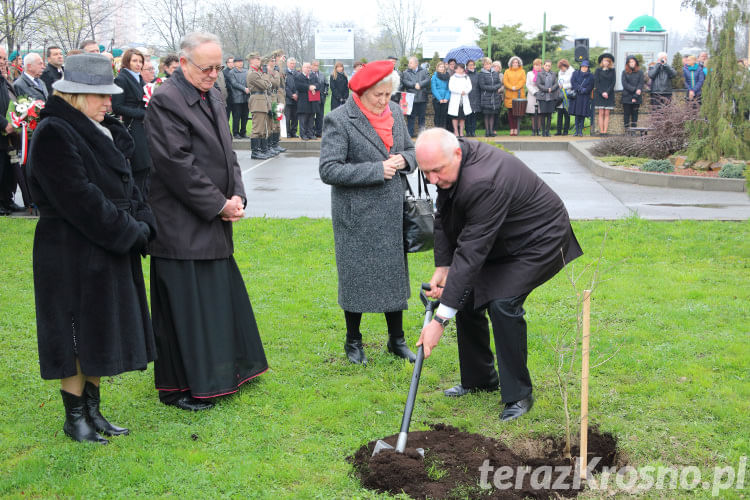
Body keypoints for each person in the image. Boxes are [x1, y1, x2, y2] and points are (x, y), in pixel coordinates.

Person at [27, 53, 156, 443]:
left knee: (99, 327)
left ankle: (94, 411)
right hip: (69, 249)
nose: (109, 103)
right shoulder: (53, 132)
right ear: (77, 96)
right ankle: (75, 416)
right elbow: (80, 199)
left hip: (103, 247)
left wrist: (142, 219)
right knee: (74, 331)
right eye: (101, 97)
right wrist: (130, 231)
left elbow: (127, 183)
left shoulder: (103, 129)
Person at [414, 127, 582, 421]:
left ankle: (519, 395)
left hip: (539, 238)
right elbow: (444, 215)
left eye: (437, 171)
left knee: (503, 302)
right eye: (426, 173)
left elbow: (471, 252)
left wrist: (440, 320)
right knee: (465, 294)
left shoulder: (483, 181)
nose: (432, 180)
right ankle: (480, 379)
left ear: (456, 153)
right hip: (503, 236)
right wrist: (443, 267)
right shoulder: (451, 164)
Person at [144, 31, 268, 411]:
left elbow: (228, 151)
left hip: (213, 216)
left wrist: (237, 194)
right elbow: (176, 165)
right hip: (180, 223)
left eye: (218, 66)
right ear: (183, 63)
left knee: (215, 300)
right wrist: (218, 205)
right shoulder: (166, 100)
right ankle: (184, 385)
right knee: (187, 308)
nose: (215, 74)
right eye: (206, 67)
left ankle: (225, 371)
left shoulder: (211, 93)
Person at [318, 60, 417, 365]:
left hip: (391, 213)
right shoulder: (339, 119)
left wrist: (403, 160)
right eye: (379, 95)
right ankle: (353, 341)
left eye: (388, 94)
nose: (384, 101)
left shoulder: (396, 114)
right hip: (356, 216)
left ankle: (396, 340)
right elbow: (329, 169)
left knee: (393, 279)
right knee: (356, 279)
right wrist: (377, 170)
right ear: (361, 92)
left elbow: (411, 151)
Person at [112, 49, 152, 196]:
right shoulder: (122, 79)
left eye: (140, 61)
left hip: (143, 126)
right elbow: (117, 106)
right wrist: (142, 113)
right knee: (140, 166)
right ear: (127, 61)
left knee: (147, 167)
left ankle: (143, 199)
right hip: (133, 127)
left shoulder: (139, 78)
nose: (138, 64)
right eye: (134, 61)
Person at [0, 47, 22, 216]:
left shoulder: (4, 80)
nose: (3, 61)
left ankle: (7, 200)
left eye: (4, 58)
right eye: (0, 58)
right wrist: (4, 124)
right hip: (2, 130)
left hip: (9, 133)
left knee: (9, 170)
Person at [247, 53, 273, 159]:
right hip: (257, 102)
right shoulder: (253, 74)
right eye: (257, 59)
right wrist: (266, 78)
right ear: (251, 61)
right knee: (257, 129)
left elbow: (267, 85)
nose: (259, 61)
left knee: (262, 129)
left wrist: (266, 81)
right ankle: (255, 152)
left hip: (262, 101)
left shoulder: (258, 73)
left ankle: (262, 150)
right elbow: (266, 85)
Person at [401, 56, 430, 138]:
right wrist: (414, 85)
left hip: (422, 98)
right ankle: (409, 136)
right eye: (409, 62)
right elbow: (405, 81)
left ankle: (422, 135)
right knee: (410, 118)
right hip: (411, 98)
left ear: (416, 63)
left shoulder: (424, 71)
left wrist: (420, 84)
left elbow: (428, 79)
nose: (409, 64)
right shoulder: (406, 72)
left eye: (411, 62)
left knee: (422, 118)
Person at [478, 58, 503, 137]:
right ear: (483, 65)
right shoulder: (481, 74)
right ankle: (487, 131)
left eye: (489, 64)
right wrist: (492, 88)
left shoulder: (495, 73)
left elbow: (499, 83)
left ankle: (491, 131)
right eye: (486, 64)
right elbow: (482, 86)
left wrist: (495, 87)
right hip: (486, 97)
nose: (487, 66)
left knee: (492, 114)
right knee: (487, 115)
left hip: (494, 97)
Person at [569, 60, 594, 136]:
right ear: (580, 67)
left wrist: (585, 90)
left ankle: (580, 130)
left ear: (588, 68)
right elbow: (573, 82)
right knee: (577, 114)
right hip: (577, 96)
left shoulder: (591, 76)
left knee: (583, 114)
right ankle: (576, 130)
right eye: (583, 66)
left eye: (586, 67)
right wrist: (579, 89)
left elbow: (591, 85)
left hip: (585, 96)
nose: (584, 68)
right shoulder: (575, 73)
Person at [295, 62, 318, 140]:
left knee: (311, 119)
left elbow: (318, 84)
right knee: (303, 119)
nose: (308, 69)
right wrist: (309, 87)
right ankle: (303, 134)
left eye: (309, 67)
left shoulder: (313, 76)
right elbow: (298, 86)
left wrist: (314, 87)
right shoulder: (299, 76)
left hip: (312, 101)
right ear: (302, 68)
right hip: (303, 101)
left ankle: (310, 133)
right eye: (306, 67)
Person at [535, 60, 559, 137]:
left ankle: (548, 131)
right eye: (546, 65)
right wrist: (546, 89)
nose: (548, 67)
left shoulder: (553, 74)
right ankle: (543, 132)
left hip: (551, 96)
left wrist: (551, 89)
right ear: (543, 66)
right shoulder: (539, 74)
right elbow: (538, 84)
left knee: (549, 114)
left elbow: (556, 83)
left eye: (549, 66)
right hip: (542, 96)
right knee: (543, 114)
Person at [593, 53, 615, 135]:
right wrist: (602, 92)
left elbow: (613, 82)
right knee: (601, 113)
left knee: (607, 113)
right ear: (602, 61)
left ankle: (605, 131)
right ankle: (601, 131)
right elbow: (597, 83)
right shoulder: (598, 70)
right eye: (604, 60)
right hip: (599, 94)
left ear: (609, 62)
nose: (606, 62)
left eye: (607, 61)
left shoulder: (612, 71)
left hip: (609, 94)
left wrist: (607, 92)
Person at [448, 63, 472, 137]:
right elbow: (451, 87)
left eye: (461, 68)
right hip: (455, 98)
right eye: (458, 68)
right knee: (455, 116)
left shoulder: (466, 77)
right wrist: (459, 91)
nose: (459, 70)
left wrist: (465, 91)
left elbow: (470, 87)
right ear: (455, 69)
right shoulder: (452, 78)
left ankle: (461, 131)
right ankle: (456, 131)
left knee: (462, 117)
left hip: (464, 98)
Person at [503, 56, 525, 136]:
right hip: (509, 94)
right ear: (511, 63)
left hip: (519, 95)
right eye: (514, 62)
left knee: (517, 113)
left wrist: (516, 87)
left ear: (519, 63)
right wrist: (511, 87)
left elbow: (523, 81)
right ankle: (512, 128)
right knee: (510, 113)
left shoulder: (522, 71)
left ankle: (516, 128)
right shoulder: (507, 71)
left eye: (516, 62)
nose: (515, 64)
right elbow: (505, 81)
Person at [228, 56, 249, 139]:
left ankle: (243, 132)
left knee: (245, 116)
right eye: (238, 61)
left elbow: (249, 81)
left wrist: (248, 88)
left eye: (241, 61)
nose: (240, 63)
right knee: (236, 116)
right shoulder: (231, 72)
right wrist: (244, 89)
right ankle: (236, 133)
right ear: (235, 63)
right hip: (236, 97)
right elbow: (234, 83)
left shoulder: (246, 71)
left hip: (246, 97)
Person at [621, 56, 644, 129]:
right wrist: (635, 90)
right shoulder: (624, 72)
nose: (632, 63)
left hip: (637, 96)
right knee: (626, 115)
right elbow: (625, 84)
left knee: (635, 115)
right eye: (630, 62)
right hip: (627, 96)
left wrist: (635, 96)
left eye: (633, 61)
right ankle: (627, 131)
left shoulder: (640, 72)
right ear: (627, 63)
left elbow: (641, 84)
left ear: (636, 62)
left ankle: (634, 130)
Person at [555, 59, 574, 136]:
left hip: (568, 94)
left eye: (562, 67)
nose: (561, 69)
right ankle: (558, 131)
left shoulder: (572, 72)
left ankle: (565, 131)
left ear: (566, 66)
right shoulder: (560, 72)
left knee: (566, 113)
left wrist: (564, 86)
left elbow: (573, 84)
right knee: (559, 113)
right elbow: (559, 81)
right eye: (560, 68)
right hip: (560, 94)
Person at [464, 60, 481, 137]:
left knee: (474, 116)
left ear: (475, 66)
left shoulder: (478, 75)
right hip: (467, 96)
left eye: (472, 65)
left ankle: (473, 131)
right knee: (467, 115)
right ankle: (468, 131)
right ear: (467, 66)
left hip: (476, 96)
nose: (471, 66)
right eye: (469, 65)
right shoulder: (464, 75)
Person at [311, 60, 328, 137]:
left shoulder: (322, 74)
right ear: (311, 66)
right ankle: (312, 131)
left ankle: (319, 132)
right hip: (312, 99)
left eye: (317, 65)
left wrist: (325, 92)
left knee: (320, 116)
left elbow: (326, 84)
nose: (316, 67)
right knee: (312, 116)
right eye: (314, 65)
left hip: (321, 98)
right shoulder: (309, 74)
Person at [431, 61, 450, 129]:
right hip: (437, 99)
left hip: (445, 99)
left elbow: (448, 89)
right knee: (438, 115)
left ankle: (443, 130)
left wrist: (446, 98)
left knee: (444, 115)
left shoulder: (447, 76)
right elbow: (434, 89)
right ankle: (437, 130)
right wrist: (439, 99)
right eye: (440, 67)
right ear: (437, 68)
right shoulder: (434, 77)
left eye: (443, 67)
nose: (442, 68)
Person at [526, 58, 542, 136]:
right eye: (536, 65)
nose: (537, 67)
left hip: (541, 94)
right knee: (533, 113)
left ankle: (538, 129)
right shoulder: (529, 73)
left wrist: (540, 92)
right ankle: (533, 130)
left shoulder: (543, 73)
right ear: (533, 65)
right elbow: (528, 84)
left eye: (539, 65)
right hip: (532, 95)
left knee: (539, 113)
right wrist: (534, 92)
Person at [285, 57, 299, 138]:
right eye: (291, 63)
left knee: (295, 117)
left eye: (294, 63)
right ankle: (288, 132)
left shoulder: (297, 74)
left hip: (296, 99)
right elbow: (284, 86)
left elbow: (298, 85)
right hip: (288, 99)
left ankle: (294, 132)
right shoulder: (284, 73)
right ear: (287, 64)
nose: (292, 65)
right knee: (287, 117)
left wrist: (296, 94)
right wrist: (291, 95)